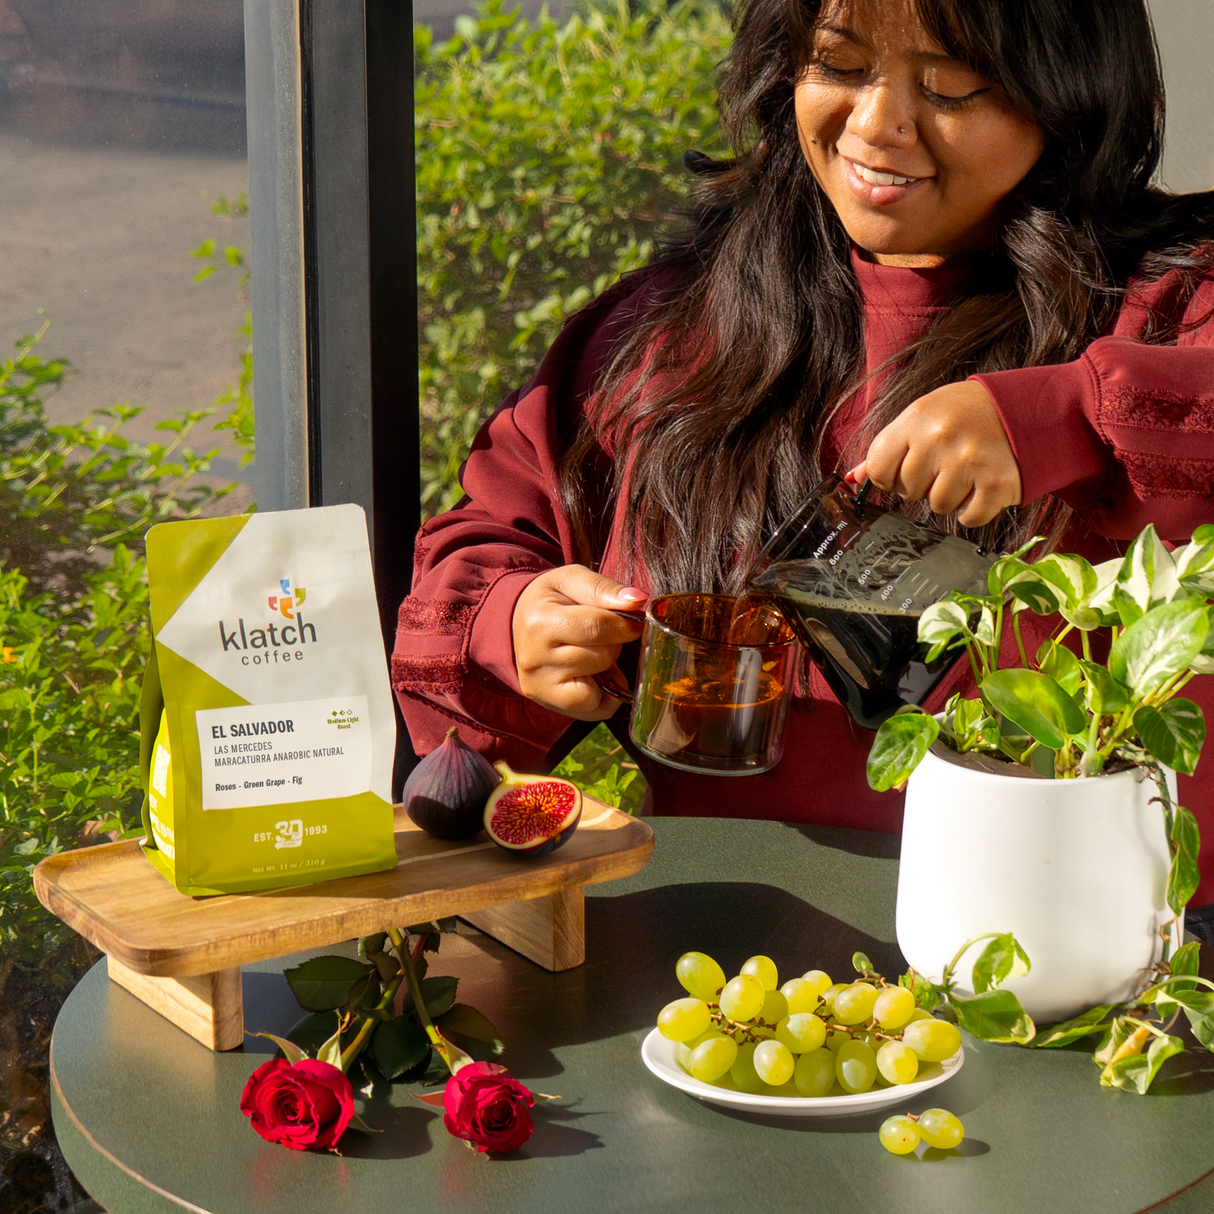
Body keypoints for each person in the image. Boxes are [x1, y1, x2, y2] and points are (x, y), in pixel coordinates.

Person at [394, 0, 1214, 927]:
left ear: (1072, 98)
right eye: (838, 64)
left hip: (1099, 988)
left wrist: (1072, 414)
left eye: (947, 86)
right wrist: (518, 622)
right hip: (720, 974)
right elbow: (490, 541)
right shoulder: (666, 334)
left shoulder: (1172, 307)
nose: (875, 125)